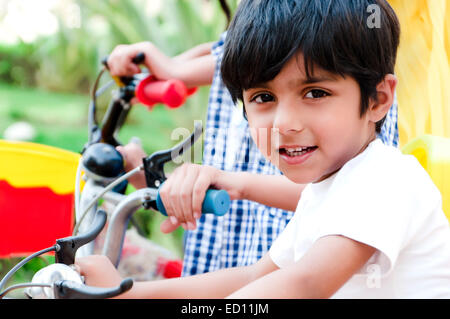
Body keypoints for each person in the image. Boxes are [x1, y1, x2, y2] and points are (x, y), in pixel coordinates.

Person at [76, 0, 450, 298]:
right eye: (263, 97)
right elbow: (253, 277)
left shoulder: (385, 179)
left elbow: (304, 285)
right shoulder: (326, 191)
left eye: (315, 93)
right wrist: (130, 294)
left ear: (378, 99)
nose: (284, 123)